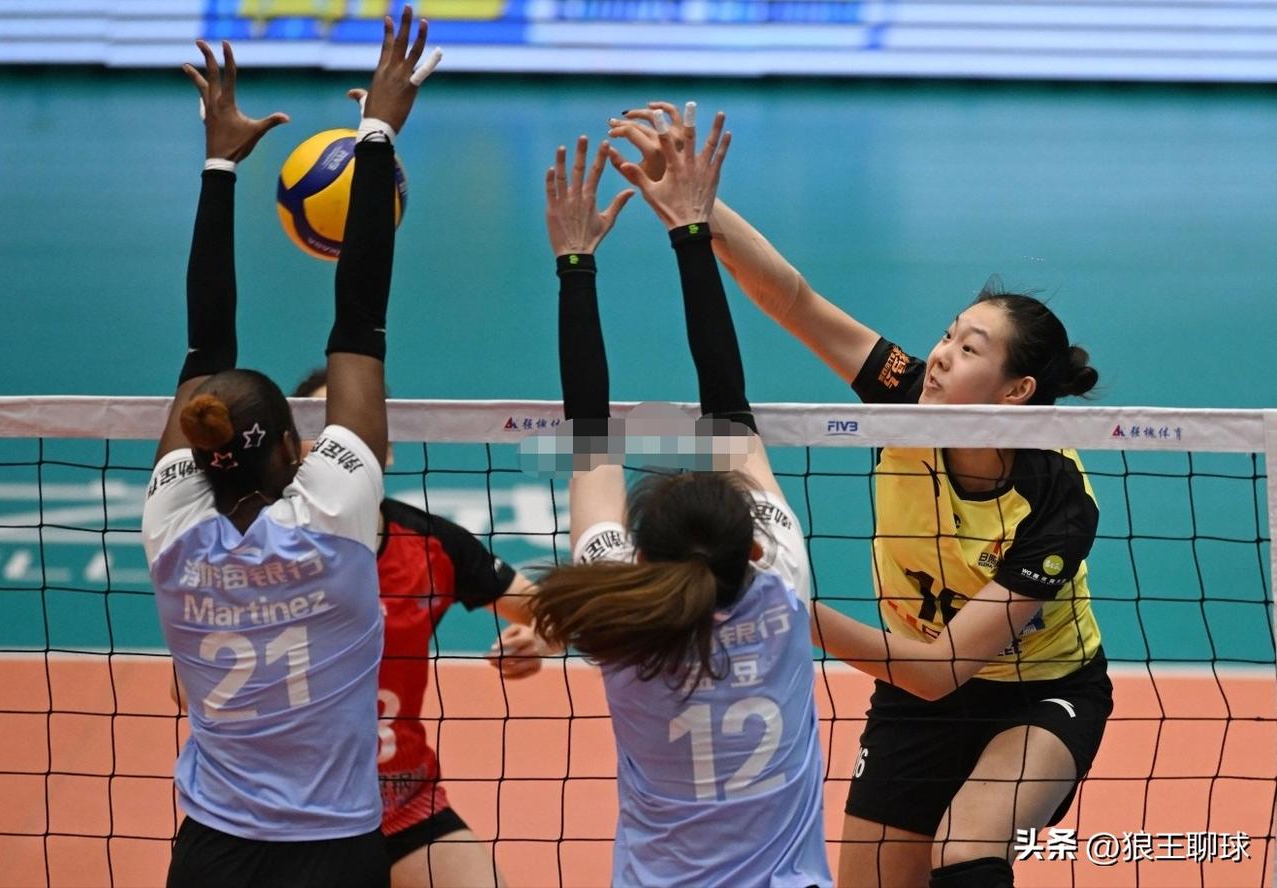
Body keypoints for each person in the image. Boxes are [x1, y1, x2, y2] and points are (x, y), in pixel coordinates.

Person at [608, 103, 1113, 888]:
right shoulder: (904, 397)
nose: (940, 356)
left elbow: (942, 669)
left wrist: (778, 602)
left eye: (969, 349)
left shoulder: (1058, 497)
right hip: (911, 692)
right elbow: (793, 299)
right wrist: (699, 209)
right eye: (948, 334)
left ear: (1016, 391)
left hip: (1040, 693)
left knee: (966, 847)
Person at [141, 11, 432, 885]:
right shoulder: (332, 523)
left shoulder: (176, 535)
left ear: (202, 447)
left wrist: (220, 165)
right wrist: (375, 135)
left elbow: (209, 347)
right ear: (296, 451)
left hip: (212, 852)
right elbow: (359, 321)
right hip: (333, 854)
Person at [528, 116, 832, 887]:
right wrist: (691, 231)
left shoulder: (614, 623)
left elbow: (589, 437)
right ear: (754, 548)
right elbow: (730, 413)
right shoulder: (783, 590)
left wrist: (575, 262)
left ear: (638, 553)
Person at [290, 369, 544, 888]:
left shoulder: (432, 546)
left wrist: (542, 638)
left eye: (356, 428)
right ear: (292, 451)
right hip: (290, 816)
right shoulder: (257, 550)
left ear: (385, 451)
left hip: (402, 804)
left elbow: (546, 611)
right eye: (322, 428)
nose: (339, 444)